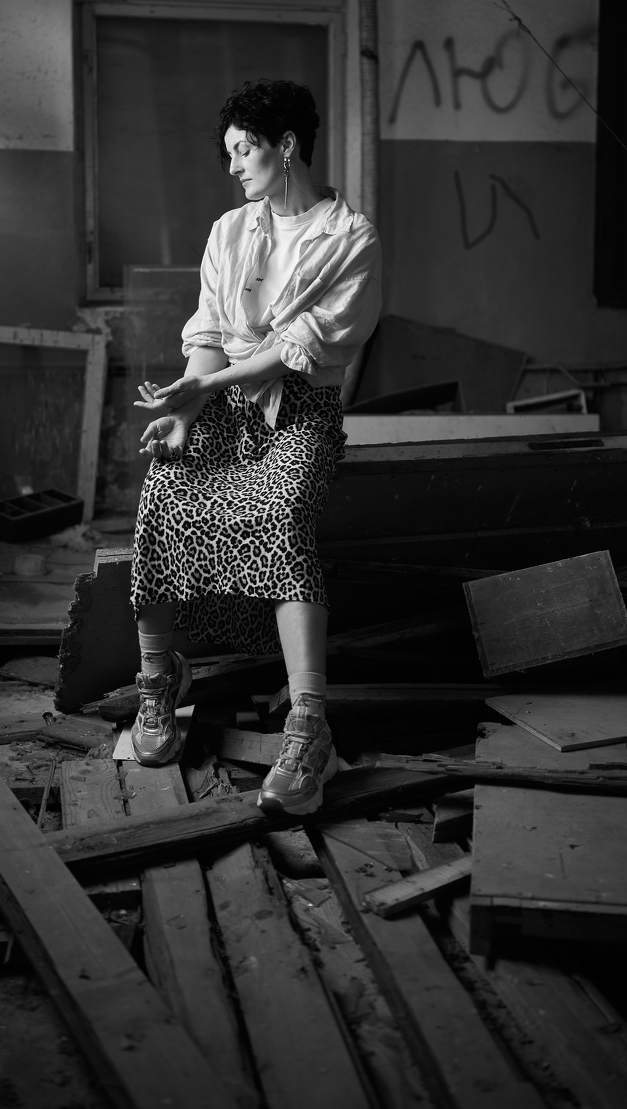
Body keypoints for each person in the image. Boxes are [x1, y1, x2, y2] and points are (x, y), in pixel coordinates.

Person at [129, 78, 382, 815]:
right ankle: (159, 678)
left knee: (281, 517)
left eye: (245, 149)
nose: (235, 165)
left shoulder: (351, 239)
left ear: (287, 146)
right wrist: (186, 409)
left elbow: (298, 350)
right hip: (220, 404)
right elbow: (210, 332)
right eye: (231, 152)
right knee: (163, 494)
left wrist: (205, 388)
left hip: (300, 414)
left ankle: (309, 726)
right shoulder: (231, 230)